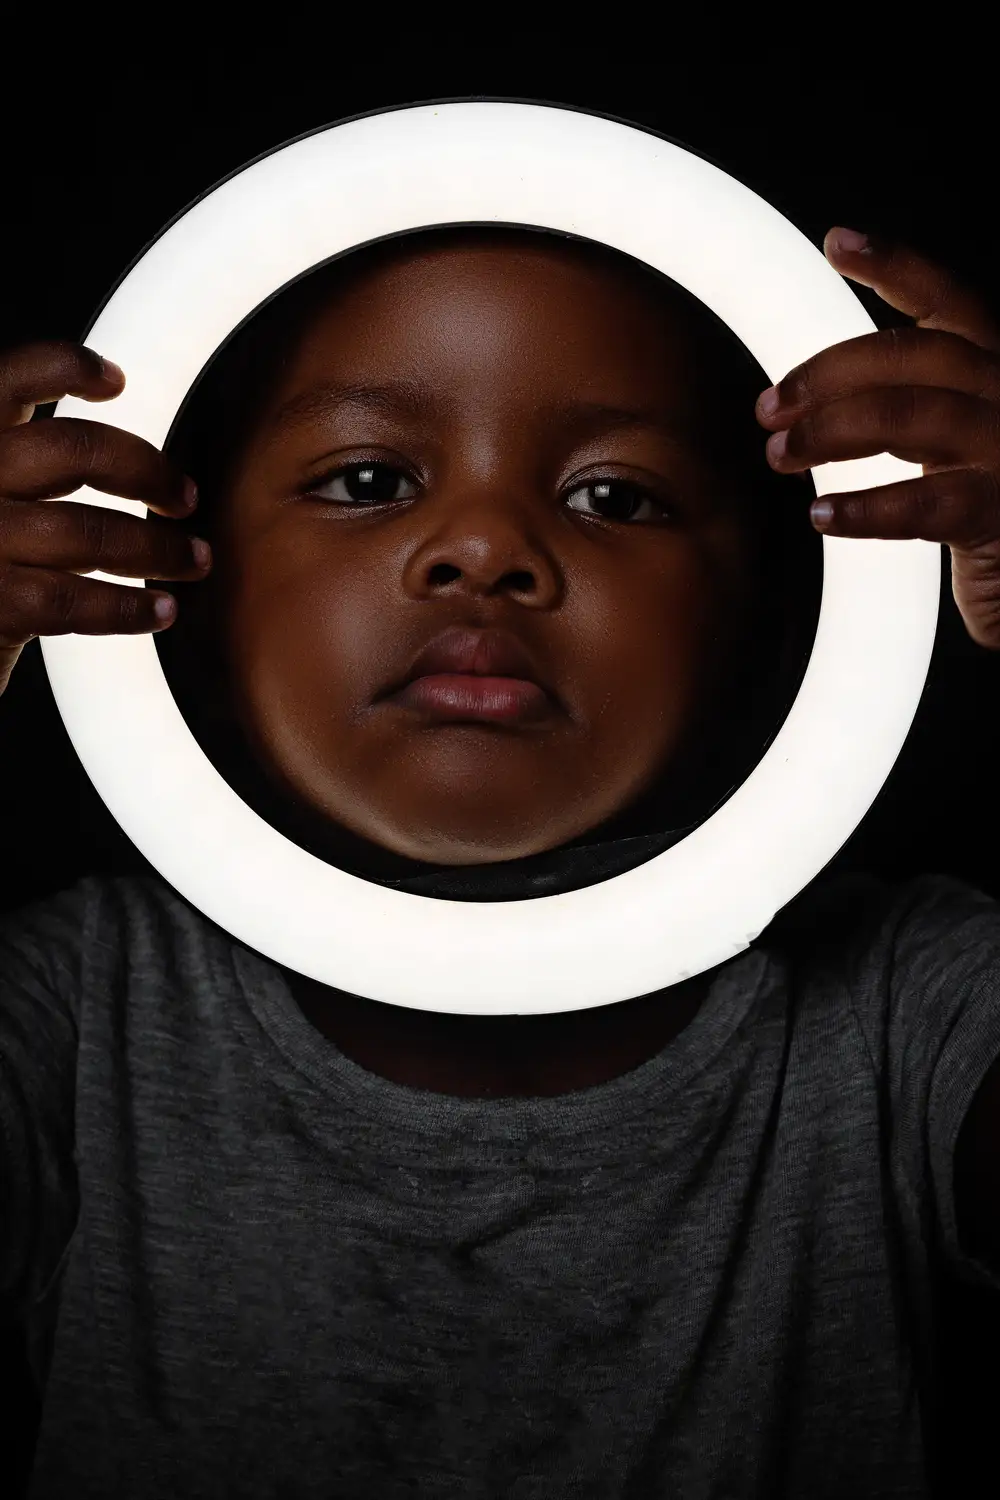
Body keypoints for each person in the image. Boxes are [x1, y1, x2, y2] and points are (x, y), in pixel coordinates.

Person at [0, 220, 998, 1499]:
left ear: (762, 602)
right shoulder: (85, 1013)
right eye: (368, 481)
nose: (486, 550)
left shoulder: (900, 1006)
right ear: (177, 570)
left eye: (611, 496)